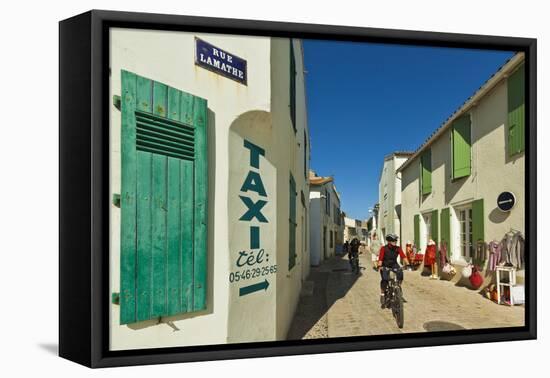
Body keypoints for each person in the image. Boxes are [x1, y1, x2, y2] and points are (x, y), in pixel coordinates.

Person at [377, 233, 409, 307]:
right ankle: (382, 293)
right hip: (385, 265)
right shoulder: (383, 248)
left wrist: (407, 264)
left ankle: (397, 287)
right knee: (385, 280)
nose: (395, 241)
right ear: (388, 241)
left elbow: (403, 256)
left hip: (394, 264)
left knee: (400, 274)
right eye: (393, 240)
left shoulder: (398, 248)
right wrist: (379, 266)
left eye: (395, 240)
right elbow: (380, 259)